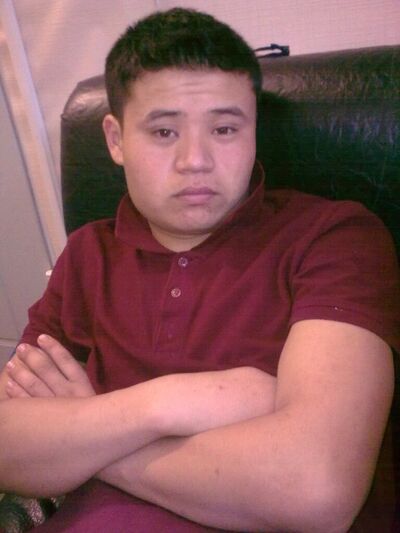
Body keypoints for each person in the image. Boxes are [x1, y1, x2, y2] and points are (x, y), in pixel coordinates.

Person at [0, 7, 399, 532]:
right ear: (116, 140)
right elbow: (9, 445)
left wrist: (88, 430)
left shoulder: (333, 238)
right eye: (164, 131)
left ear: (254, 130)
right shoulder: (86, 255)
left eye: (225, 128)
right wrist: (163, 404)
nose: (196, 160)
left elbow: (315, 489)